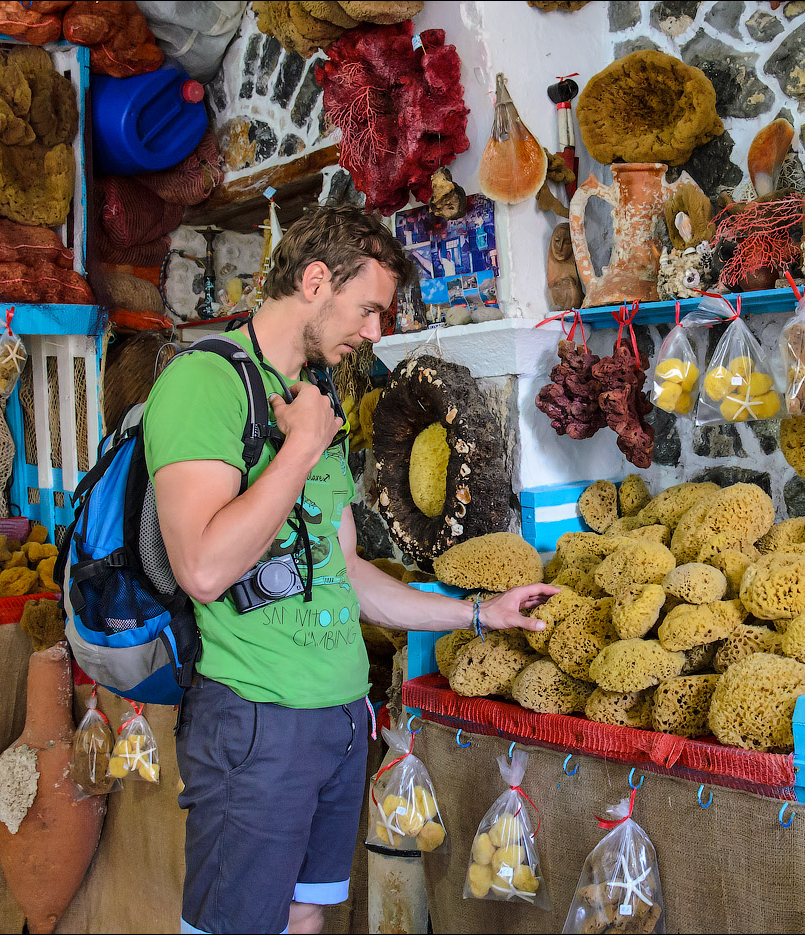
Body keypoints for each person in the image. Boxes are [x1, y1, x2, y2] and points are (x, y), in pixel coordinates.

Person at [143, 204, 554, 935]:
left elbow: (347, 572)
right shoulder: (203, 384)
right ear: (313, 280)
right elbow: (203, 568)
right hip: (255, 721)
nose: (373, 331)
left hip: (338, 722)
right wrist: (300, 447)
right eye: (367, 308)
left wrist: (481, 613)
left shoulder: (318, 400)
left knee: (309, 915)